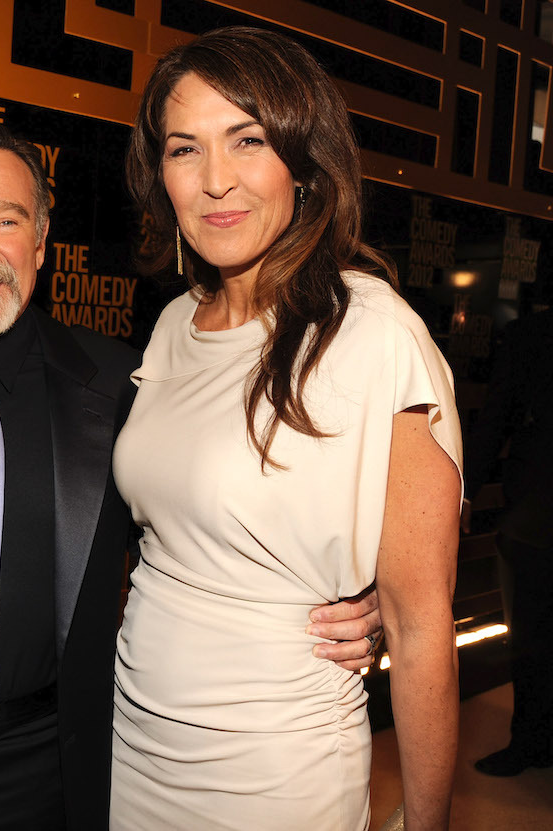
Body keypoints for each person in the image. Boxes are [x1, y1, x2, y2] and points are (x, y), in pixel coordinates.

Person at [0, 117, 382, 831]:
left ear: (40, 238)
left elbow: (224, 512)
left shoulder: (122, 382)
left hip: (50, 768)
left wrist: (361, 594)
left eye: (6, 221)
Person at [111, 27, 463, 831]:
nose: (215, 181)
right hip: (135, 740)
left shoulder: (371, 331)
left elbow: (417, 628)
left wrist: (431, 820)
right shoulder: (173, 323)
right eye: (183, 149)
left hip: (276, 764)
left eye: (248, 140)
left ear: (303, 163)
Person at [463, 308, 553, 777]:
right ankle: (531, 741)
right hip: (537, 512)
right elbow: (495, 420)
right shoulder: (532, 334)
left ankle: (532, 742)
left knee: (533, 633)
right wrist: (464, 491)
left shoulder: (530, 334)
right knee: (532, 635)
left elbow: (496, 419)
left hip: (536, 511)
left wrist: (466, 492)